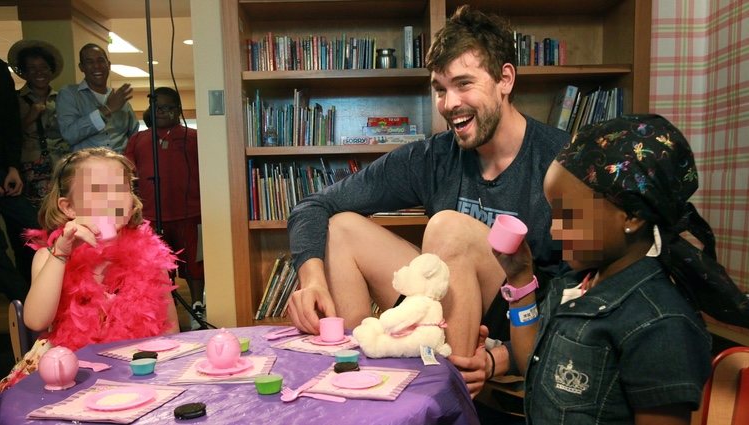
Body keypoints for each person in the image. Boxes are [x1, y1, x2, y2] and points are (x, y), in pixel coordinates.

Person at [286, 5, 569, 394]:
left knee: (447, 226)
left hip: (517, 323)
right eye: (440, 89)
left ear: (505, 79)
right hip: (441, 318)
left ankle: (440, 399)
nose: (449, 103)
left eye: (464, 84)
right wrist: (311, 281)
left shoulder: (562, 160)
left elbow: (583, 287)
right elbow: (312, 206)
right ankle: (354, 379)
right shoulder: (433, 155)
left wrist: (502, 355)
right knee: (342, 227)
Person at [492, 114, 749, 424]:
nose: (554, 231)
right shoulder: (575, 283)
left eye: (568, 216)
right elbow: (531, 364)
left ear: (631, 216)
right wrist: (519, 279)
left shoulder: (660, 326)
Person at [0, 147, 180, 392]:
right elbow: (35, 320)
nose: (112, 198)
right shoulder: (50, 256)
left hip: (135, 372)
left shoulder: (149, 256)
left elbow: (170, 329)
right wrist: (61, 254)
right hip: (70, 375)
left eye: (121, 188)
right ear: (68, 207)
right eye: (97, 190)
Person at [125, 87, 205, 330]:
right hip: (152, 215)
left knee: (194, 265)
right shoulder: (138, 139)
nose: (163, 112)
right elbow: (127, 172)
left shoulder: (193, 137)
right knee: (159, 267)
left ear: (178, 110)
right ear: (151, 110)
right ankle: (166, 309)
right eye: (158, 108)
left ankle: (198, 306)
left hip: (190, 213)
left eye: (169, 107)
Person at [8, 39, 70, 206]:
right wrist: (30, 116)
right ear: (25, 72)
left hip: (61, 165)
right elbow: (9, 135)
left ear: (51, 70)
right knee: (38, 218)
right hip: (31, 168)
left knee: (64, 212)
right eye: (32, 68)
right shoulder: (15, 100)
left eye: (43, 67)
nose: (39, 72)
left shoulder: (63, 99)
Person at [56, 43, 138, 153]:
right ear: (82, 67)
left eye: (100, 60)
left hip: (120, 165)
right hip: (86, 165)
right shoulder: (69, 94)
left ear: (108, 64)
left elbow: (134, 138)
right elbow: (70, 135)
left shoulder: (120, 99)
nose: (96, 66)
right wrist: (107, 109)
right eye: (89, 62)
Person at [0, 55, 34, 301]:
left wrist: (13, 165)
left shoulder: (0, 70)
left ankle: (43, 300)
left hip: (5, 170)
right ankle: (25, 307)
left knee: (34, 231)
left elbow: (9, 120)